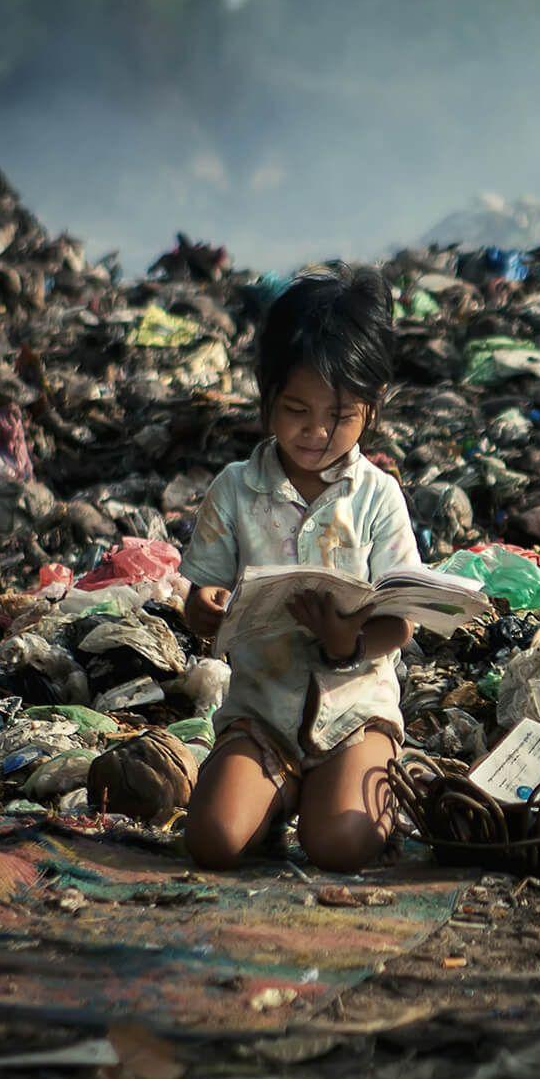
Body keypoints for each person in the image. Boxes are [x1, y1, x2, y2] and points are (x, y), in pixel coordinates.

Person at [178, 263, 418, 873]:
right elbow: (201, 596)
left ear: (373, 406)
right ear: (266, 398)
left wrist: (349, 640)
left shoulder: (377, 496)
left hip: (355, 712)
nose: (314, 431)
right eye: (295, 409)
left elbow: (401, 622)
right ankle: (278, 794)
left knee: (338, 844)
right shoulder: (235, 490)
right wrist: (206, 609)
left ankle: (354, 789)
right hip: (262, 713)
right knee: (212, 840)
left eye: (338, 416)